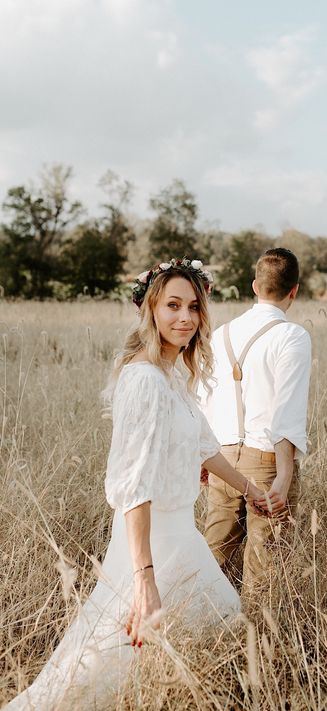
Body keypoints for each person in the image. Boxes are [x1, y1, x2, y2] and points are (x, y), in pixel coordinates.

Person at [6, 258, 268, 711]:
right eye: (172, 306)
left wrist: (251, 490)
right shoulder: (144, 379)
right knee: (106, 658)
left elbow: (203, 445)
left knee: (219, 623)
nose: (185, 317)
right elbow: (133, 484)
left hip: (182, 534)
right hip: (150, 541)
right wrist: (143, 577)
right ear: (150, 309)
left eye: (193, 307)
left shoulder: (175, 375)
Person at [202, 248, 312, 594]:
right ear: (294, 291)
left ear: (254, 286)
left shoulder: (221, 334)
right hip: (265, 461)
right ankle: (258, 638)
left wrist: (204, 458)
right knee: (265, 565)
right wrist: (284, 475)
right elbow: (286, 412)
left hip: (222, 457)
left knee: (211, 556)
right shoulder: (292, 336)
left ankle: (195, 626)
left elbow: (205, 397)